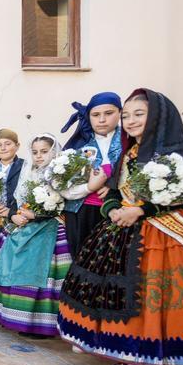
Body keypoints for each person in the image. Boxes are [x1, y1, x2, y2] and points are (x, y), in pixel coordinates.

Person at [58, 89, 183, 365]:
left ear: (157, 116)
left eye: (138, 114)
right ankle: (136, 352)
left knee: (160, 299)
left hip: (165, 233)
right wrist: (113, 209)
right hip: (123, 231)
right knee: (126, 297)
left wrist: (141, 210)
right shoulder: (129, 152)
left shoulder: (174, 154)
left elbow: (179, 195)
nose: (130, 121)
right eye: (126, 116)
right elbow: (114, 190)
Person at [0, 134, 71, 338]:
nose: (39, 156)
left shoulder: (62, 174)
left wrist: (38, 213)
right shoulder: (30, 173)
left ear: (54, 151)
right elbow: (20, 200)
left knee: (44, 275)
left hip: (50, 229)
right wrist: (17, 215)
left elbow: (64, 203)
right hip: (25, 224)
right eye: (35, 152)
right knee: (9, 263)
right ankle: (10, 315)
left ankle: (41, 324)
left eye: (44, 151)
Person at [59, 92, 124, 255]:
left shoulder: (129, 142)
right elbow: (62, 186)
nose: (102, 120)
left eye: (108, 113)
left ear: (120, 113)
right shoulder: (77, 146)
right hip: (81, 214)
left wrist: (114, 187)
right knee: (82, 259)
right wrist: (89, 187)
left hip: (119, 212)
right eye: (95, 115)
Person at [0, 129, 24, 246]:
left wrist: (11, 213)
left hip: (17, 221)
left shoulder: (25, 167)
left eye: (8, 144)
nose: (3, 148)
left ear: (17, 146)